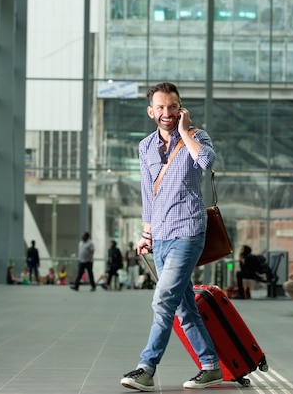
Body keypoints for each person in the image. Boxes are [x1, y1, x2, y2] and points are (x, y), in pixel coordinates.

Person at [120, 82, 222, 391]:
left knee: (163, 300)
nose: (167, 112)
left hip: (188, 231)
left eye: (173, 106)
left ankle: (146, 367)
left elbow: (206, 162)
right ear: (151, 111)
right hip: (160, 235)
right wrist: (146, 232)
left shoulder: (197, 136)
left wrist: (186, 131)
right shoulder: (146, 146)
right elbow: (148, 193)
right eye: (161, 107)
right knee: (183, 306)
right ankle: (211, 366)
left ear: (181, 108)